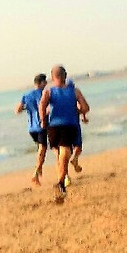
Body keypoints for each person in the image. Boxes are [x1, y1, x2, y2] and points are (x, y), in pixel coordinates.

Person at [39, 65, 90, 202]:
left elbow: (42, 105)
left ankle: (62, 181)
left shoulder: (48, 91)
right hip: (69, 125)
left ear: (52, 77)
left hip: (53, 127)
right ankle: (61, 182)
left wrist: (43, 120)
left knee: (60, 155)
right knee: (65, 153)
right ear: (65, 76)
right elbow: (86, 107)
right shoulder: (74, 91)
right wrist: (77, 111)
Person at [15, 73, 48, 185]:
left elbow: (17, 110)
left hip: (31, 128)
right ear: (41, 83)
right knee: (42, 149)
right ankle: (36, 173)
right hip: (40, 125)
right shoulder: (42, 94)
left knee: (41, 150)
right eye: (45, 82)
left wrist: (27, 107)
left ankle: (39, 170)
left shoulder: (26, 95)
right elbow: (44, 108)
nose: (46, 84)